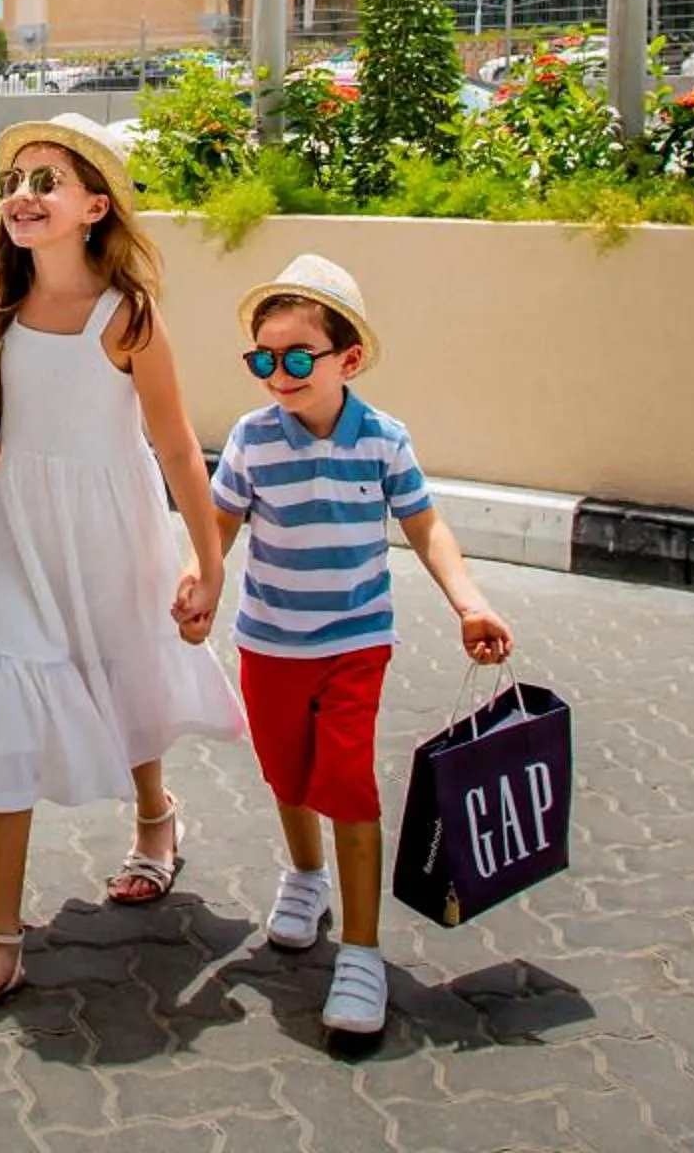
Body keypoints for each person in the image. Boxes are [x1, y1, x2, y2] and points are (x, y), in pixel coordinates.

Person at [0, 115, 240, 1039]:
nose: (21, 196)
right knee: (11, 701)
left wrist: (206, 560)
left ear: (95, 208)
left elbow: (177, 446)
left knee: (121, 665)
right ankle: (0, 945)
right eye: (13, 182)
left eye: (45, 181)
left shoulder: (126, 314)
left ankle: (155, 818)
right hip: (18, 530)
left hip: (111, 524)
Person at [210, 254, 511, 1040]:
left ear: (347, 360)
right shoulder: (251, 439)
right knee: (285, 773)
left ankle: (362, 951)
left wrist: (469, 602)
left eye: (296, 357)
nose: (278, 375)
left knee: (346, 783)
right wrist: (197, 579)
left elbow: (426, 527)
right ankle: (306, 876)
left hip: (355, 643)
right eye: (263, 359)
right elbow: (220, 524)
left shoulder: (383, 440)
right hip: (268, 643)